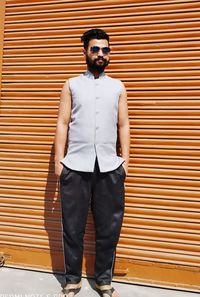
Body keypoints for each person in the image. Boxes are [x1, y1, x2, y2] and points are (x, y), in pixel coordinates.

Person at [54, 28, 130, 297]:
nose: (101, 54)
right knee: (72, 226)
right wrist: (59, 161)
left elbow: (123, 124)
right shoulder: (72, 84)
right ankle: (72, 280)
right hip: (75, 165)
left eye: (106, 49)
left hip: (109, 166)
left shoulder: (117, 86)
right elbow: (63, 123)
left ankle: (103, 280)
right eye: (96, 49)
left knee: (109, 227)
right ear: (85, 51)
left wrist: (125, 161)